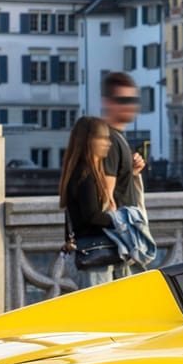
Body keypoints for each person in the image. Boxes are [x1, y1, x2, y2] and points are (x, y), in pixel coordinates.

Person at [99, 73, 158, 271]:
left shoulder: (118, 138)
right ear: (108, 102)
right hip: (120, 245)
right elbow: (107, 197)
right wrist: (124, 237)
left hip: (122, 244)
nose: (130, 105)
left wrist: (132, 172)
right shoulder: (110, 140)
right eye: (123, 100)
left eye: (133, 100)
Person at [60, 116, 124, 289]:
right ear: (88, 141)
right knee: (103, 310)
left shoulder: (78, 172)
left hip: (86, 252)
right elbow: (91, 216)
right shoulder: (86, 175)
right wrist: (120, 221)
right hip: (94, 257)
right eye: (102, 138)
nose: (108, 144)